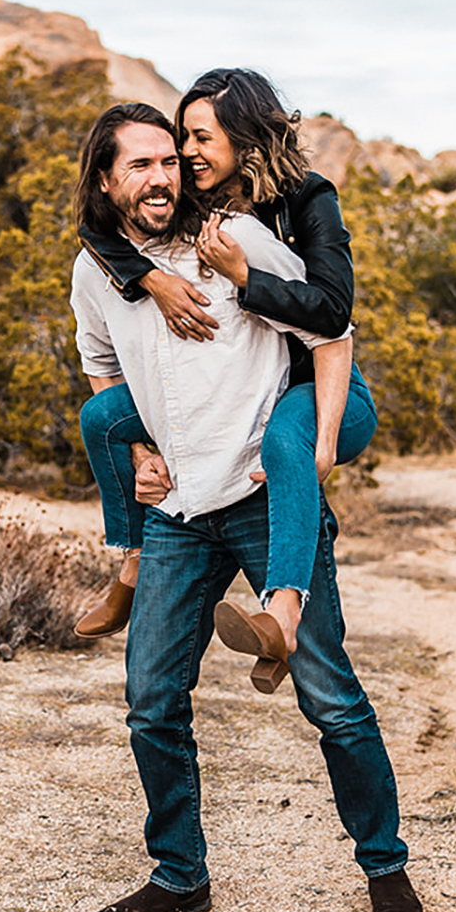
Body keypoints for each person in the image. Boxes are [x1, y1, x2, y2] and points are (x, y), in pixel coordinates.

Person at [69, 102, 422, 912]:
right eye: (141, 165)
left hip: (262, 493)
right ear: (107, 179)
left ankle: (386, 867)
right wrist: (139, 453)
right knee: (152, 699)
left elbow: (330, 324)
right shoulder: (97, 272)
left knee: (330, 696)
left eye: (171, 159)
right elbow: (101, 366)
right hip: (181, 512)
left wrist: (321, 439)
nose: (162, 176)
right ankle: (180, 873)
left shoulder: (236, 240)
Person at [74, 68, 377, 690]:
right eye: (180, 138)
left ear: (242, 139)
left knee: (285, 446)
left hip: (317, 386)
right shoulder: (186, 215)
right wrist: (151, 281)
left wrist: (242, 276)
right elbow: (100, 230)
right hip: (229, 421)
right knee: (102, 417)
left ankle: (283, 612)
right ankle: (131, 562)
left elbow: (334, 318)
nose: (184, 155)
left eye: (197, 140)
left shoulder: (301, 202)